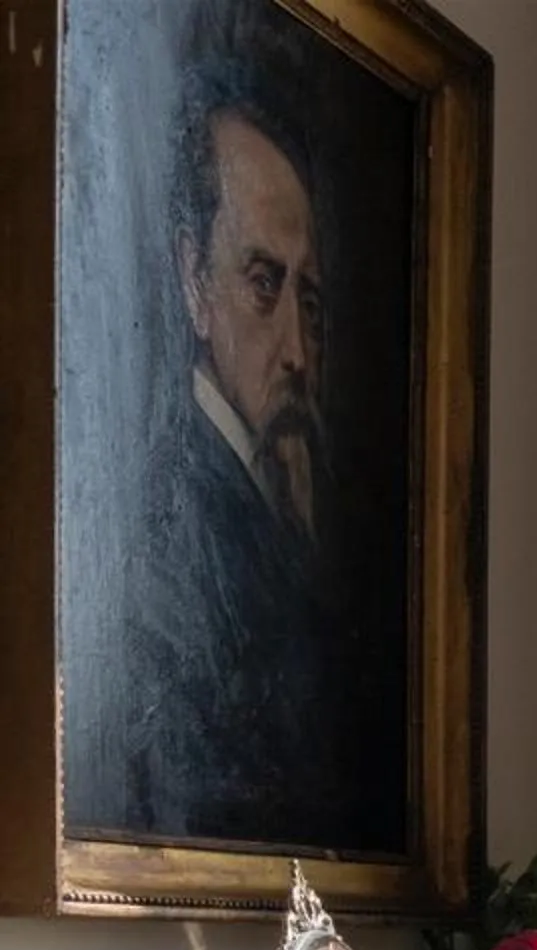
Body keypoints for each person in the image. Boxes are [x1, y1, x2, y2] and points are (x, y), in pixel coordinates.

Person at [66, 60, 398, 855]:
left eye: (307, 302)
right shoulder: (160, 527)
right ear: (193, 281)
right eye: (261, 282)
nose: (296, 352)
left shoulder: (295, 501)